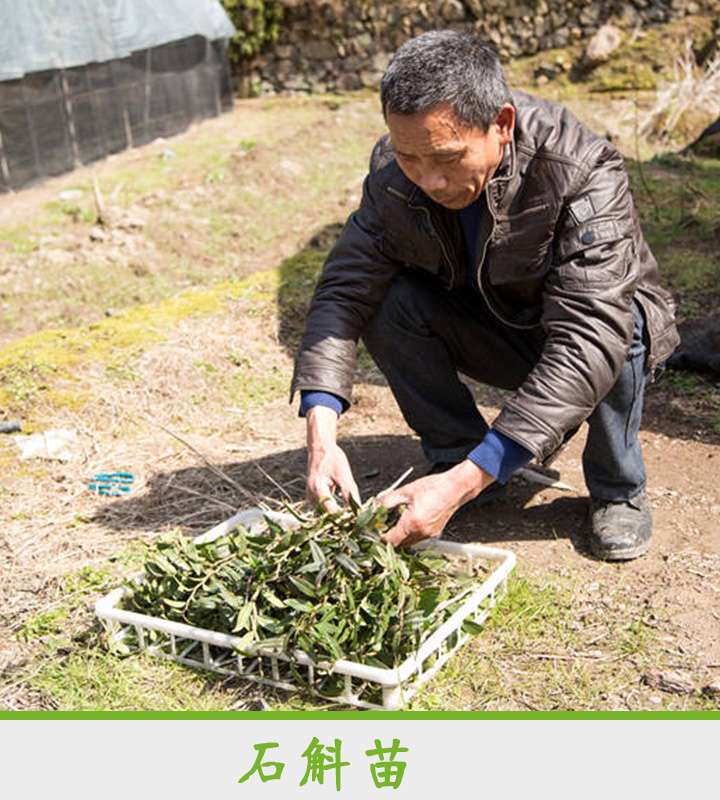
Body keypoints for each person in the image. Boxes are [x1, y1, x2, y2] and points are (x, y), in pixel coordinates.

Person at [291, 30, 679, 561]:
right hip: (497, 326)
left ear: (501, 124)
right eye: (409, 157)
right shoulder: (393, 174)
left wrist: (464, 483)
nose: (430, 180)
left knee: (622, 324)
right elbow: (344, 289)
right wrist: (322, 434)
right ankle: (458, 454)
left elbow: (588, 336)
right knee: (385, 299)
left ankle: (618, 489)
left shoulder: (579, 167)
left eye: (447, 158)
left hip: (588, 338)